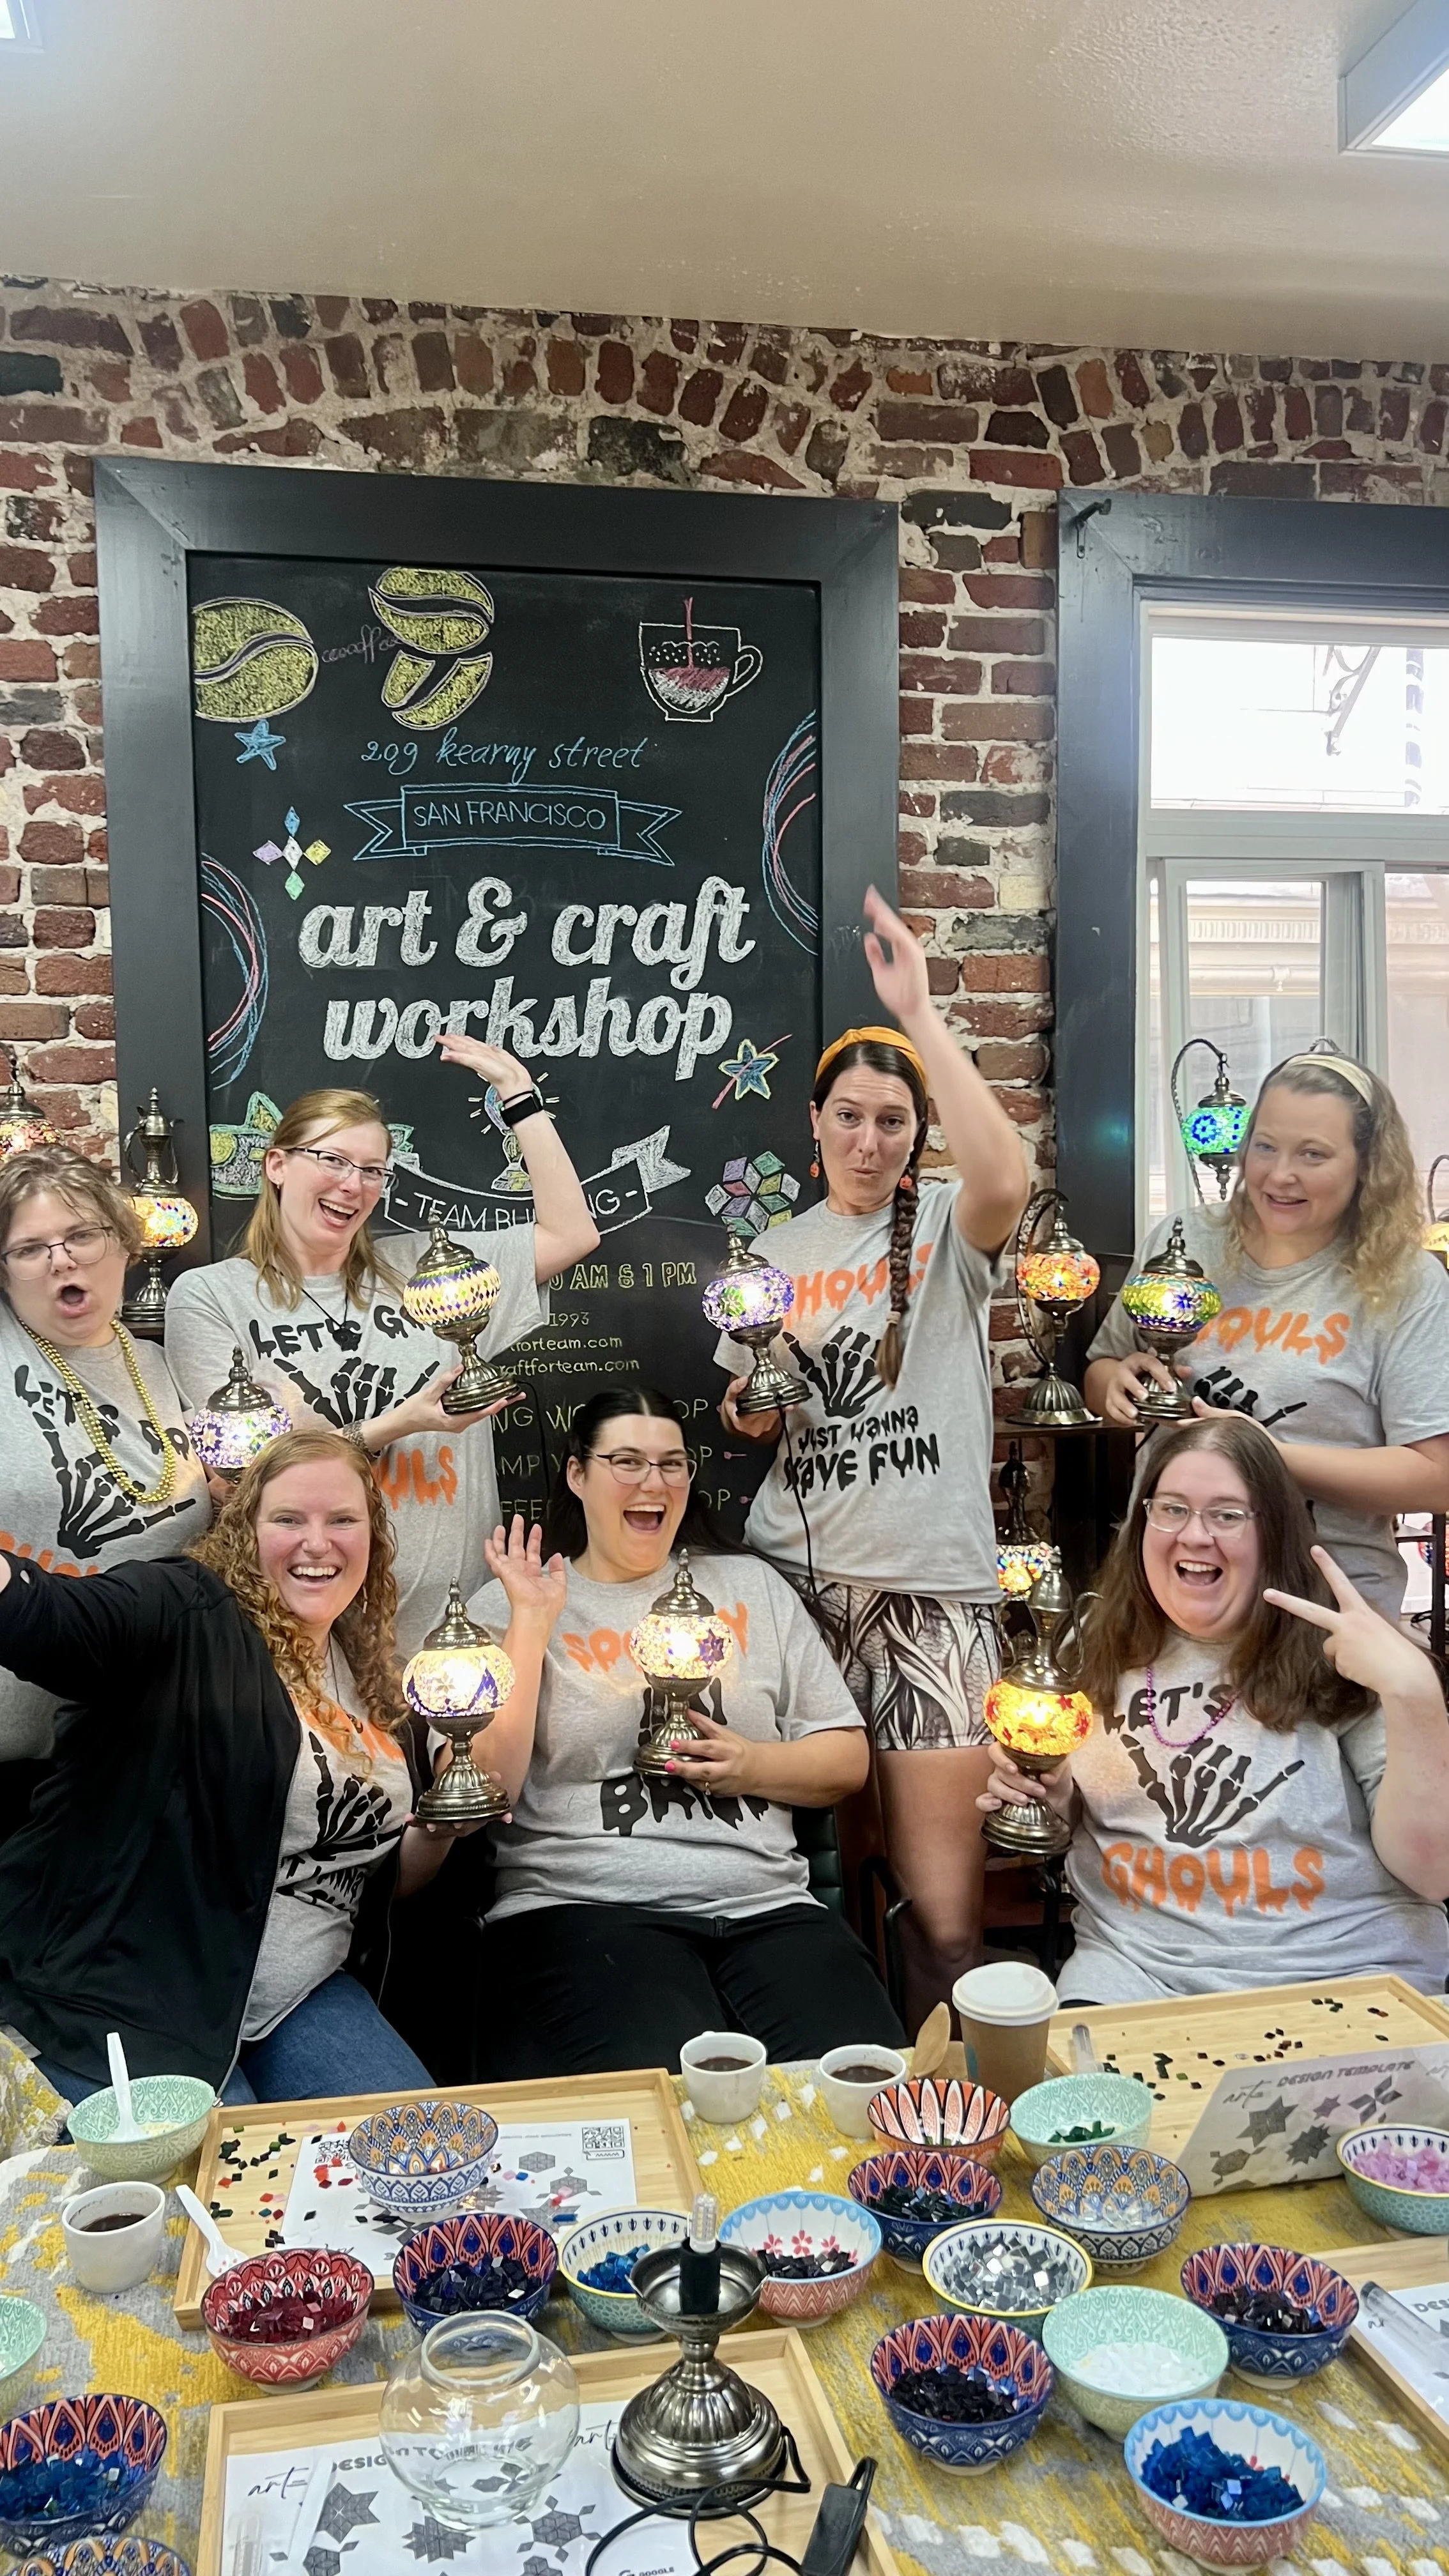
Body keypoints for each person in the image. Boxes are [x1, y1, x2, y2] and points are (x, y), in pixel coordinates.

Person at [715, 885, 1029, 2027]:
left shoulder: (948, 1216)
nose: (866, 1139)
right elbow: (745, 1404)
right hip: (793, 1590)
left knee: (947, 1920)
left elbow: (1013, 1181)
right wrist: (752, 1402)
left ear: (915, 1131)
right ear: (812, 1124)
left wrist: (922, 1017)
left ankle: (955, 2118)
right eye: (846, 1116)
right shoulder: (773, 1247)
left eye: (890, 1120)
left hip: (929, 1592)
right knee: (791, 1890)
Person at [0, 1427, 477, 2105]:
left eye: (343, 1519)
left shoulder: (366, 1669)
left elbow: (359, 1877)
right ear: (245, 1529)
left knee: (428, 2162)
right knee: (227, 2209)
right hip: (132, 2008)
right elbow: (55, 1620)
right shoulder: (187, 1611)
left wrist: (439, 1829)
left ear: (373, 1535)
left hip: (300, 1998)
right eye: (289, 1519)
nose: (318, 1543)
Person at [467, 1386, 906, 2075]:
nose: (655, 1482)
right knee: (674, 2099)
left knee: (865, 2091)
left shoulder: (749, 1586)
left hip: (768, 1906)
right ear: (578, 1475)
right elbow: (490, 1788)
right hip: (588, 1911)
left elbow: (845, 1757)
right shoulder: (515, 1600)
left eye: (673, 1464)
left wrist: (750, 1767)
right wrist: (530, 1624)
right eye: (628, 1462)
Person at [978, 1415, 1449, 2005]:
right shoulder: (1090, 1643)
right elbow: (1087, 1816)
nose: (1194, 1536)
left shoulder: (1343, 1653)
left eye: (1227, 1514)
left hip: (1347, 1973)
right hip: (1138, 1972)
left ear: (1274, 1532)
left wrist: (1415, 1695)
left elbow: (1434, 1873)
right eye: (1171, 1508)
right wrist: (1054, 1796)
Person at [167, 1045, 599, 1653]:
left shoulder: (427, 1269)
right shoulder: (212, 1296)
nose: (354, 1184)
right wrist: (402, 1424)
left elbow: (572, 1233)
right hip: (306, 1630)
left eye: (374, 1170)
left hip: (459, 1620)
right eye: (334, 1160)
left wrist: (518, 1094)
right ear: (277, 1165)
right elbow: (243, 1480)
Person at [1085, 1047, 1449, 1619]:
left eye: (1313, 1154)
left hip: (1322, 1608)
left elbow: (1435, 1478)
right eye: (1266, 1147)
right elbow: (1105, 1368)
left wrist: (1267, 1454)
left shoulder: (1408, 1283)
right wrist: (1115, 1384)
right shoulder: (1183, 1238)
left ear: (1368, 1166)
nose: (1280, 1175)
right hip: (1170, 1586)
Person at [0, 1146, 210, 1839]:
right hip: (15, 1764)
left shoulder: (160, 1362)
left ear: (123, 1243)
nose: (62, 1261)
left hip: (148, 1751)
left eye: (83, 1235)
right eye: (29, 1248)